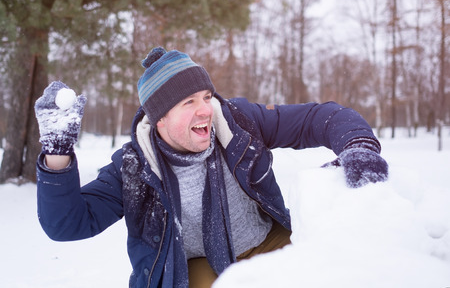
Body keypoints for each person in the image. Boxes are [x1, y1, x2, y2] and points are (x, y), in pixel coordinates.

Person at [34, 47, 388, 288]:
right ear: (160, 119)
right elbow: (68, 224)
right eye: (188, 102)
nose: (205, 109)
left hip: (268, 241)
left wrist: (359, 145)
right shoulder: (134, 167)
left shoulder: (238, 123)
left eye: (206, 97)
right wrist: (57, 152)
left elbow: (321, 117)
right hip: (196, 266)